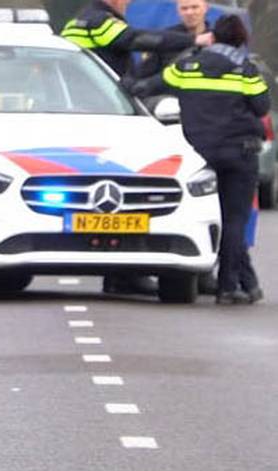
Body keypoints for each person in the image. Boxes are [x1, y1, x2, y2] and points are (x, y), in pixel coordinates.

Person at [62, 0, 213, 295]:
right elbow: (135, 40)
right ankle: (122, 275)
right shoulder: (99, 21)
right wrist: (193, 40)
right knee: (122, 194)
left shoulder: (78, 21)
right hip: (102, 115)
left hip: (86, 113)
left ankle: (122, 273)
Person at [137, 15, 268, 304]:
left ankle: (249, 283)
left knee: (208, 218)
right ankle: (227, 286)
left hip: (199, 156)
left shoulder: (186, 66)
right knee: (234, 220)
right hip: (239, 153)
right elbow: (261, 106)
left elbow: (151, 85)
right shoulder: (245, 70)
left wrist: (124, 86)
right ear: (241, 40)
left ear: (214, 37)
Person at [135, 0, 211, 82]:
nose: (189, 13)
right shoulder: (165, 39)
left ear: (206, 8)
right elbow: (143, 75)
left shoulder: (216, 40)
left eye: (195, 7)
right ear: (178, 11)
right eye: (184, 8)